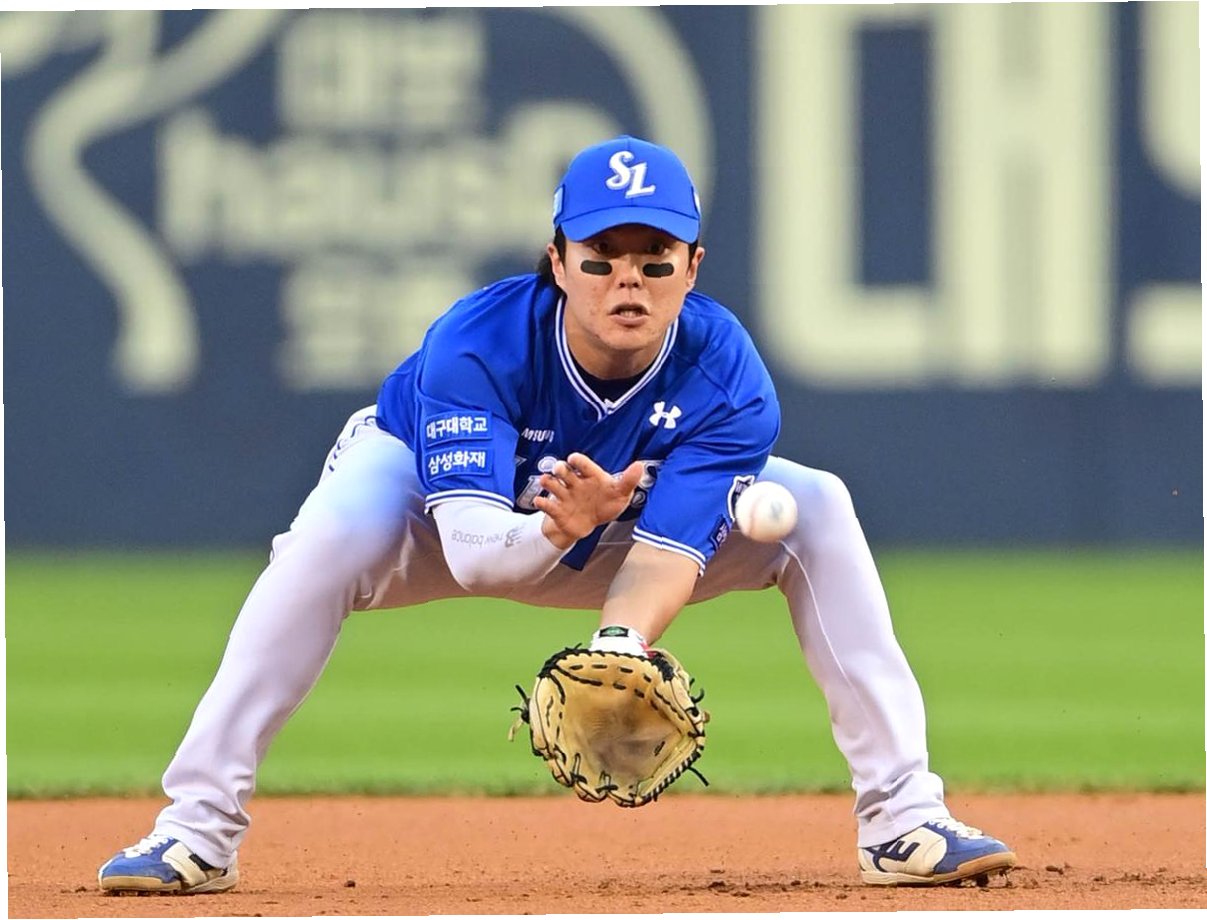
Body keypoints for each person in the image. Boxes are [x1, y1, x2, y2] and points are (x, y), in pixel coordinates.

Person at [98, 135, 1015, 894]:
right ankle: (197, 829)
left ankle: (901, 820)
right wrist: (553, 527)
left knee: (817, 505)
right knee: (323, 543)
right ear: (557, 263)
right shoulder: (478, 343)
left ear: (693, 268)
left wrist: (619, 649)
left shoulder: (726, 375)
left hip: (611, 527)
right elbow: (474, 557)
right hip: (433, 503)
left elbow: (666, 550)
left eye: (655, 261)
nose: (627, 282)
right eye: (599, 259)